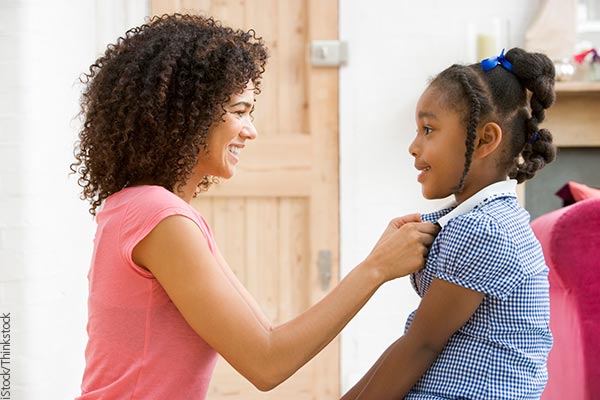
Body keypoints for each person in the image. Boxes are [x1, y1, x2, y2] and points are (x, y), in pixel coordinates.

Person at [70, 14, 438, 399]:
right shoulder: (159, 217)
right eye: (240, 111)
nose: (251, 129)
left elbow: (270, 340)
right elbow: (266, 363)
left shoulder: (146, 209)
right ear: (188, 115)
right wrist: (376, 268)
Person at [341, 47, 557, 400]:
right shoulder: (476, 219)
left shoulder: (484, 229)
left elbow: (420, 346)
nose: (413, 146)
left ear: (485, 140)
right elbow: (413, 344)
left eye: (428, 129)